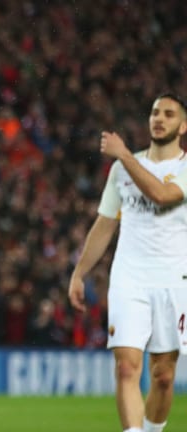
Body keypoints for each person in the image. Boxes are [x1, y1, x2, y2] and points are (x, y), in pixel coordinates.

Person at [68, 93, 187, 432]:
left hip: (174, 280)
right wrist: (79, 273)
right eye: (155, 112)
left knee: (163, 376)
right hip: (129, 278)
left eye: (168, 114)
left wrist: (122, 154)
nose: (159, 119)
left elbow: (162, 196)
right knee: (126, 368)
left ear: (183, 127)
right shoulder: (121, 170)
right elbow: (105, 224)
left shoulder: (182, 168)